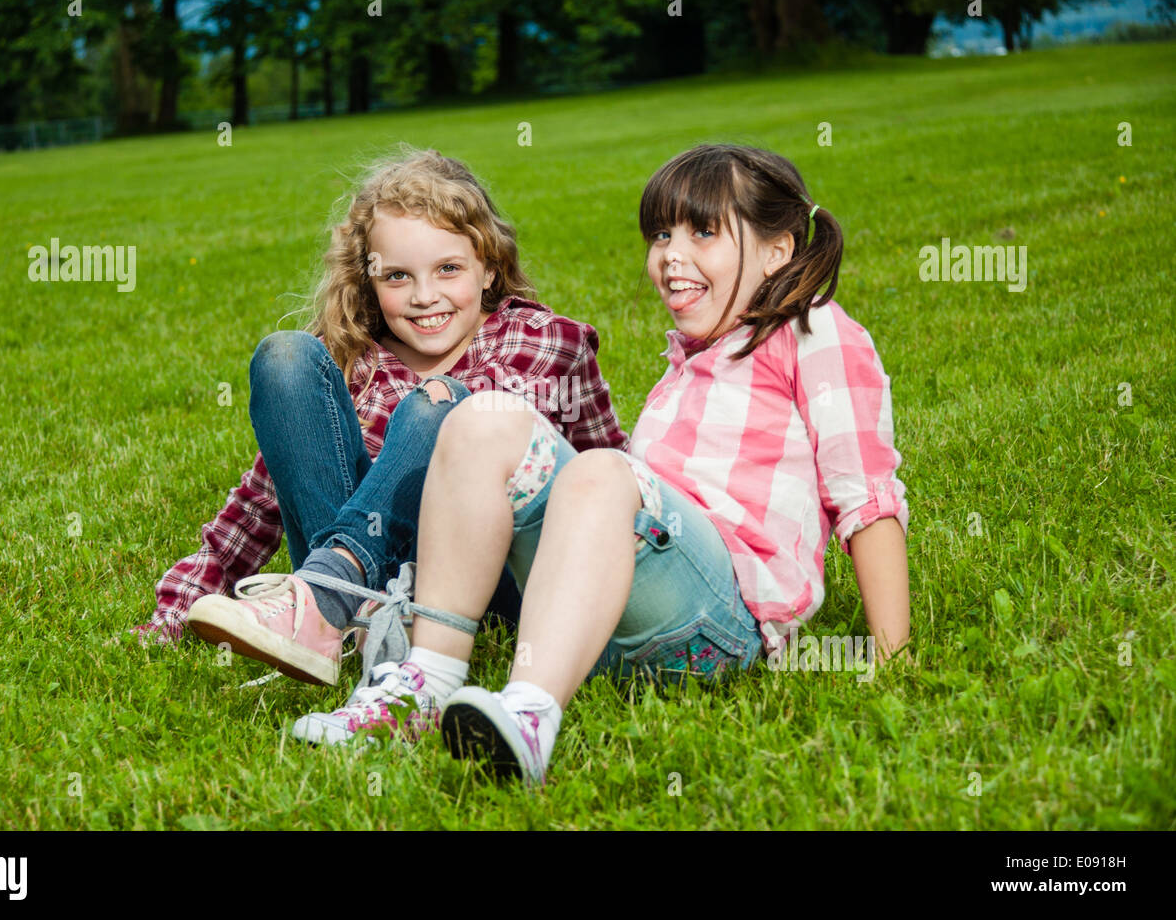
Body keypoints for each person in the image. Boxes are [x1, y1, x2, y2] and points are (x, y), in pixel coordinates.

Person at [295, 144, 910, 785]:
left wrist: (892, 658)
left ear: (779, 250)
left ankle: (530, 713)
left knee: (601, 470)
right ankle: (421, 688)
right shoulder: (692, 363)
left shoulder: (811, 328)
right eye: (662, 233)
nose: (672, 254)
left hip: (721, 625)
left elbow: (865, 494)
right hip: (612, 628)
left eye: (703, 231)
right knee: (479, 419)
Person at [135, 148, 628, 689]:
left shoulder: (544, 339)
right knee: (285, 357)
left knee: (442, 407)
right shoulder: (352, 360)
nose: (424, 297)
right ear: (368, 281)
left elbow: (615, 470)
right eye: (397, 276)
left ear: (488, 268)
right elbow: (261, 502)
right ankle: (348, 618)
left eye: (448, 269)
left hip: (485, 584)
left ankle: (327, 603)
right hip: (370, 583)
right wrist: (177, 610)